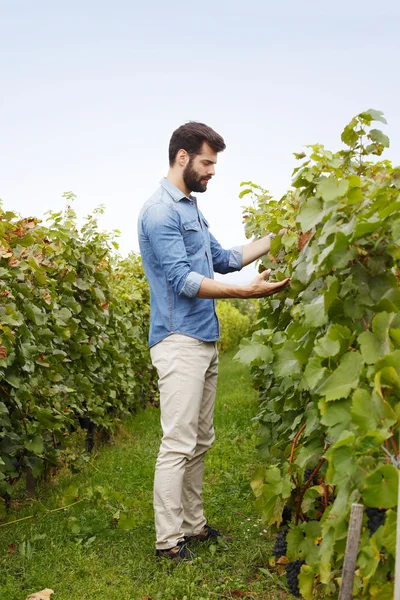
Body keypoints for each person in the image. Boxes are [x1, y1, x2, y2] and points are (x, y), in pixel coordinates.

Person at [137, 122, 290, 561]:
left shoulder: (192, 210)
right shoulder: (160, 211)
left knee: (201, 440)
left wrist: (279, 236)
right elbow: (183, 281)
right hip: (178, 339)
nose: (212, 172)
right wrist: (246, 292)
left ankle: (193, 525)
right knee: (178, 443)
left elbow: (221, 259)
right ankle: (168, 541)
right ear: (182, 157)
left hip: (204, 336)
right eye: (207, 162)